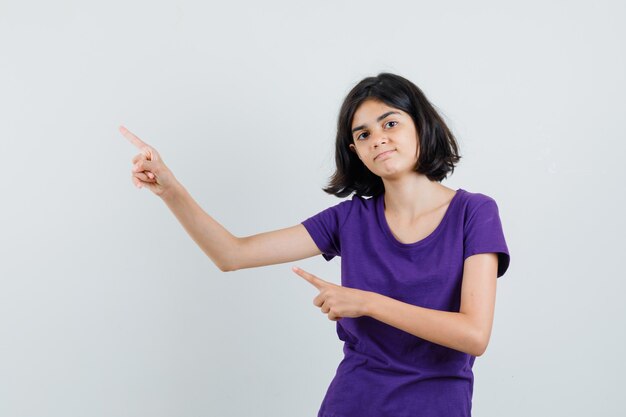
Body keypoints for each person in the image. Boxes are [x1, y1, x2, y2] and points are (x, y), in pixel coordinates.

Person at [119, 72, 510, 417]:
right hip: (352, 402)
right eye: (363, 134)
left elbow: (474, 335)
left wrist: (366, 302)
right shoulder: (348, 219)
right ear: (355, 151)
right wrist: (170, 189)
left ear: (421, 125)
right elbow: (231, 254)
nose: (379, 139)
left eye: (390, 122)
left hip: (437, 406)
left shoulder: (474, 213)